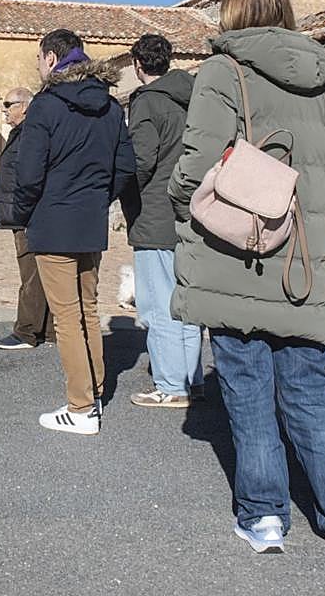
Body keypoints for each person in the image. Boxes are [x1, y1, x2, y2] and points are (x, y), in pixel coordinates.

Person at [168, 0, 325, 556]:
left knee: (246, 390)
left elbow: (197, 165)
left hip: (237, 262)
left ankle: (264, 517)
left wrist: (193, 203)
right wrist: (299, 217)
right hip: (303, 267)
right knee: (311, 390)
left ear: (232, 15)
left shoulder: (221, 71)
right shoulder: (319, 78)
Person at [8, 28, 135, 435]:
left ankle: (80, 408)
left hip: (52, 219)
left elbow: (28, 173)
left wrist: (27, 212)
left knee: (65, 317)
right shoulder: (111, 107)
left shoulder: (44, 106)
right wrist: (99, 198)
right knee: (87, 310)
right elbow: (126, 167)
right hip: (90, 220)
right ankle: (95, 389)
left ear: (50, 58)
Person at [120, 34, 204, 408]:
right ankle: (191, 376)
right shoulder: (195, 97)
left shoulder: (147, 102)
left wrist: (119, 192)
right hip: (192, 212)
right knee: (186, 299)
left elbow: (141, 159)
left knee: (158, 303)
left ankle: (170, 385)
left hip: (154, 212)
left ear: (138, 65)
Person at [0, 87, 55, 351]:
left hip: (26, 214)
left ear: (26, 106)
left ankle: (26, 332)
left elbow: (30, 176)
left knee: (30, 273)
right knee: (39, 272)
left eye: (9, 104)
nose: (5, 110)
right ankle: (49, 330)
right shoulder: (20, 133)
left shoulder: (30, 134)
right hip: (22, 212)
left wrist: (25, 213)